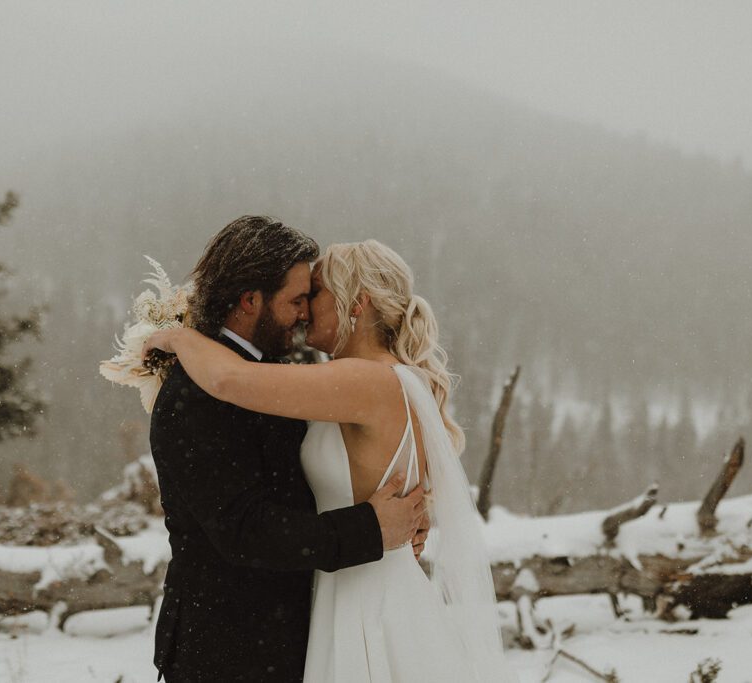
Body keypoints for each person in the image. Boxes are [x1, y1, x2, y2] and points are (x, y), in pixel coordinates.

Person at [146, 237, 519, 682]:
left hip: (364, 599)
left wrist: (177, 336)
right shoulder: (374, 381)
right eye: (299, 298)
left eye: (315, 294)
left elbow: (230, 378)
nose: (305, 312)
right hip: (358, 588)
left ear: (356, 304)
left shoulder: (364, 381)